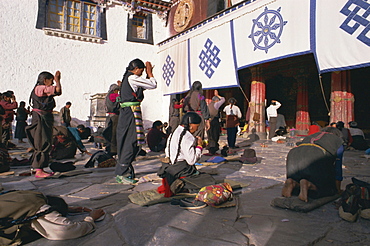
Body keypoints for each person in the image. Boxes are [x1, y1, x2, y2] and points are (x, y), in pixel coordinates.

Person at [0, 190, 105, 244]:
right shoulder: (39, 208)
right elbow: (67, 231)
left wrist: (68, 209)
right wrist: (91, 218)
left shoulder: (31, 194)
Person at [115, 58, 157, 184]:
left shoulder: (128, 78)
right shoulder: (132, 78)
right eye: (142, 71)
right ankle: (123, 172)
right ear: (137, 69)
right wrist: (150, 74)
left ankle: (123, 170)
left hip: (127, 113)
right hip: (130, 113)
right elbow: (153, 84)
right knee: (130, 141)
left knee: (127, 140)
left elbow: (140, 89)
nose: (141, 73)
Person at [157, 112, 215, 197]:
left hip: (169, 168)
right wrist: (199, 146)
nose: (197, 129)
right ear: (190, 124)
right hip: (180, 169)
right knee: (209, 180)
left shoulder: (174, 132)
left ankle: (177, 183)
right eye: (197, 126)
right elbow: (192, 160)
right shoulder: (187, 136)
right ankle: (183, 186)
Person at [281, 128, 343, 202]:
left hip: (294, 152)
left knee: (299, 176)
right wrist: (338, 189)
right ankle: (308, 184)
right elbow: (338, 168)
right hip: (316, 153)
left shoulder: (313, 135)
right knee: (326, 189)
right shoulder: (338, 141)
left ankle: (292, 182)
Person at [26, 71, 61, 178]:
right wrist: (58, 80)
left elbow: (57, 93)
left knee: (44, 140)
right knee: (42, 141)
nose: (52, 83)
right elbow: (58, 90)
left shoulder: (41, 89)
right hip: (41, 118)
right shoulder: (40, 88)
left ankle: (39, 167)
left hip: (43, 117)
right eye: (51, 81)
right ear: (45, 80)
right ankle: (39, 169)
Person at [102, 84, 120, 156]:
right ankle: (114, 149)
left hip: (110, 115)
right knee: (114, 133)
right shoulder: (113, 95)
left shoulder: (107, 96)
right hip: (114, 116)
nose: (117, 92)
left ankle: (110, 148)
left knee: (110, 132)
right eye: (117, 90)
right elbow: (122, 99)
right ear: (114, 90)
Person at [206, 90, 225, 155]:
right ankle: (213, 149)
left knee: (210, 136)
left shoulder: (208, 105)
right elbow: (223, 99)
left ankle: (211, 149)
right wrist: (217, 95)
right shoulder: (216, 105)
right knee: (215, 135)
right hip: (214, 121)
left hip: (208, 121)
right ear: (216, 100)